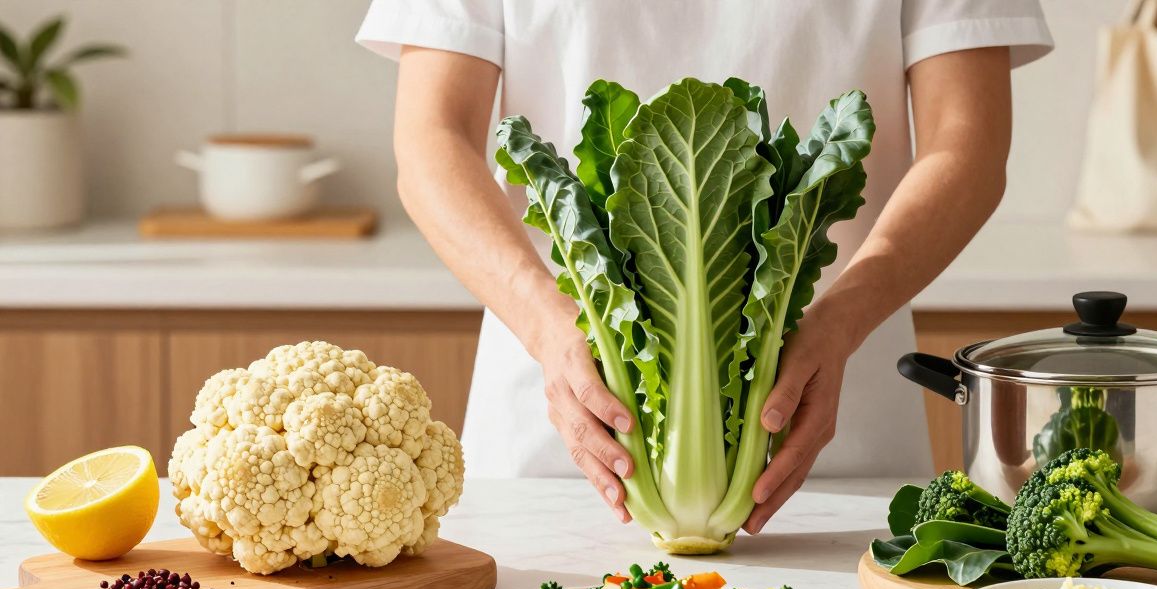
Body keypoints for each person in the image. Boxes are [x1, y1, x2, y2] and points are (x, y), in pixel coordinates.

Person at [357, 1, 1052, 534]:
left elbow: (968, 145)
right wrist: (545, 324)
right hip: (556, 449)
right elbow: (430, 139)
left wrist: (839, 320)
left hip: (835, 448)